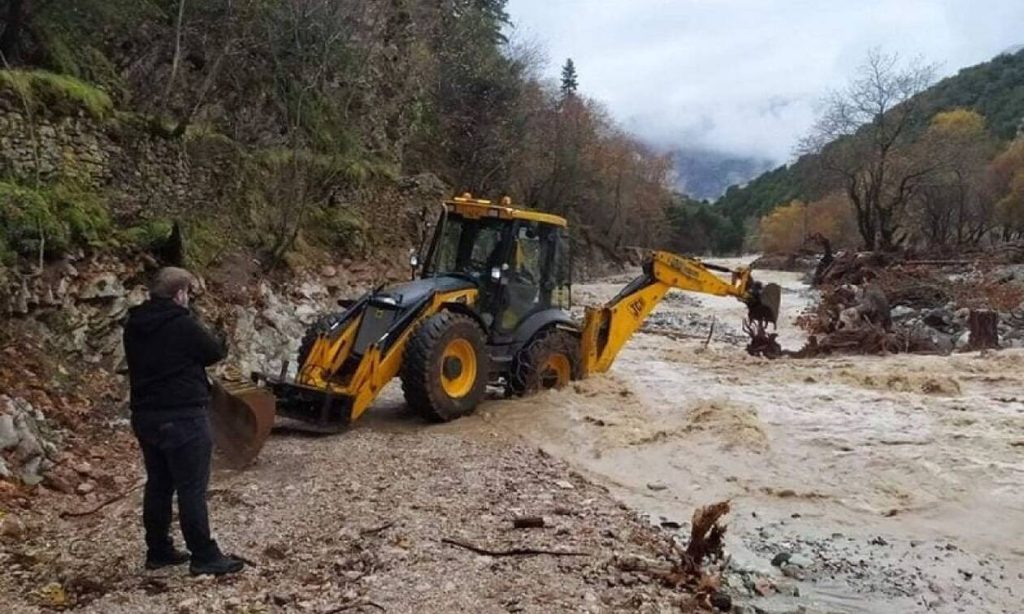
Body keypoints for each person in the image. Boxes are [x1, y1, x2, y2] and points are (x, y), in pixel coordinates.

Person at [122, 267, 243, 576]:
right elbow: (213, 352)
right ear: (180, 294)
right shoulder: (182, 325)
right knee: (191, 488)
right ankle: (204, 555)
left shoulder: (134, 324)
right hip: (183, 415)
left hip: (146, 416)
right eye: (187, 292)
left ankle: (158, 550)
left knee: (159, 484)